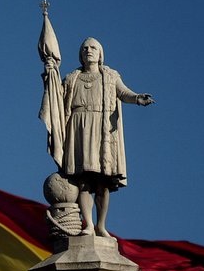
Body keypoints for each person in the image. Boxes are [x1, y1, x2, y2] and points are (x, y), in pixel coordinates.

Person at [54, 37, 154, 236]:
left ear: (100, 54)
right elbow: (55, 95)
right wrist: (50, 72)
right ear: (80, 55)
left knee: (102, 181)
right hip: (79, 127)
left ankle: (100, 225)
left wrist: (136, 99)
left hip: (101, 128)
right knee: (83, 181)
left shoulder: (109, 75)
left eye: (93, 48)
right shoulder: (72, 77)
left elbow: (123, 92)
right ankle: (88, 224)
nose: (88, 51)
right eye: (85, 48)